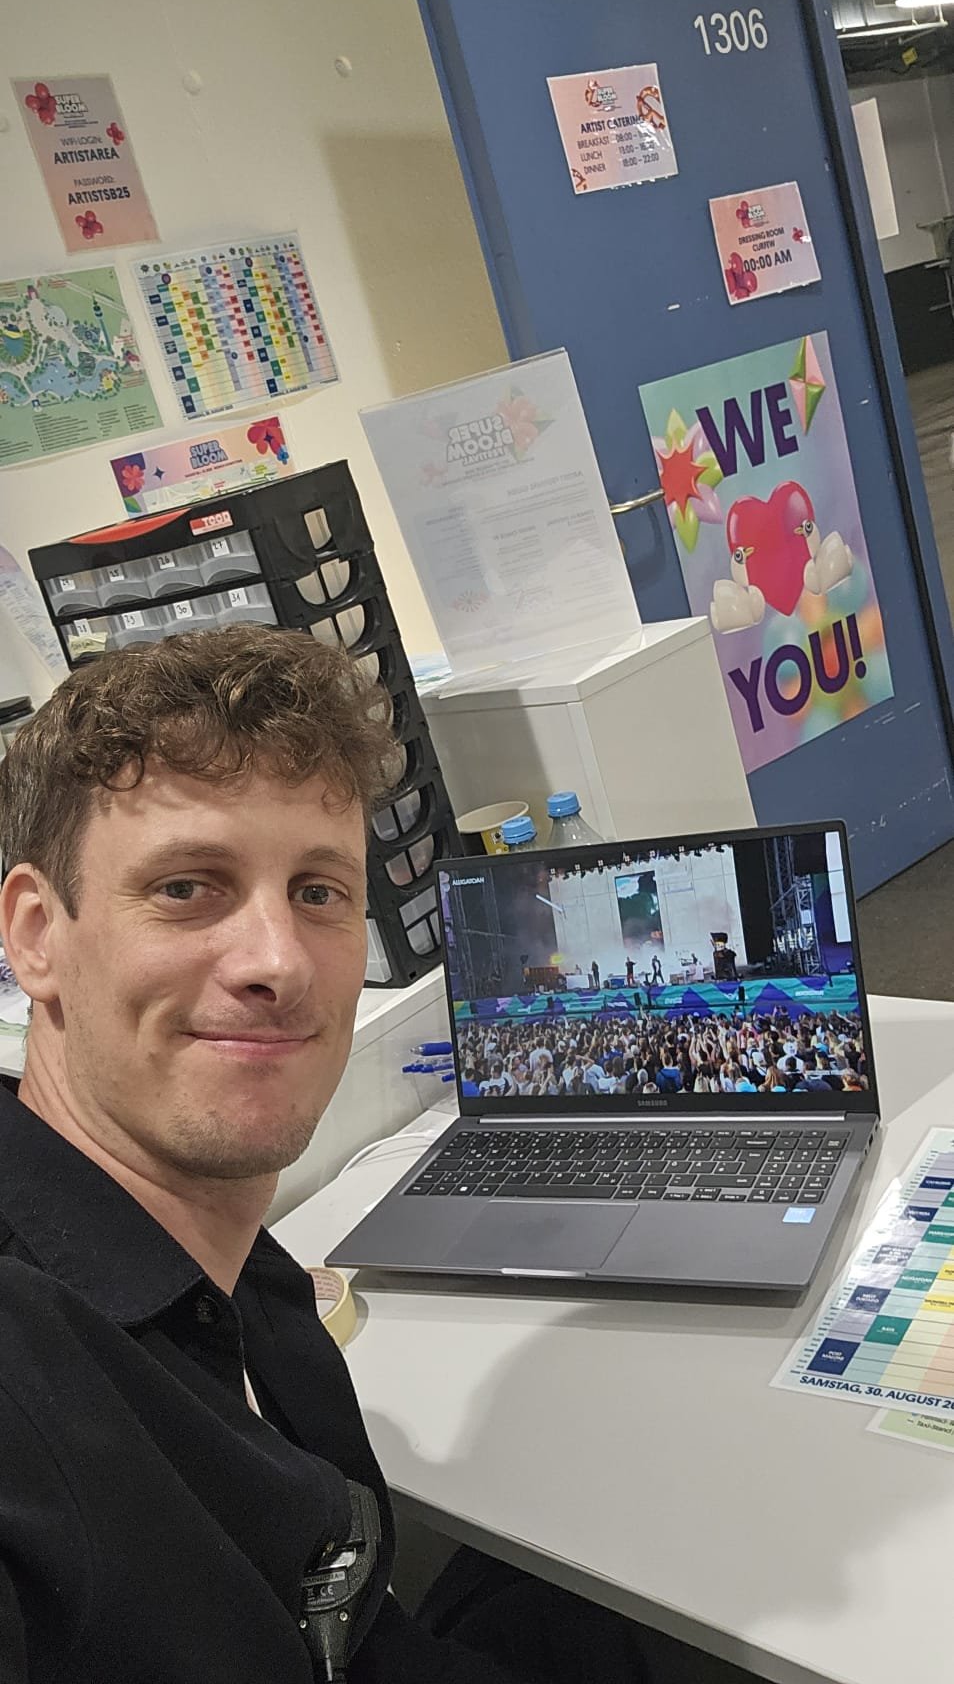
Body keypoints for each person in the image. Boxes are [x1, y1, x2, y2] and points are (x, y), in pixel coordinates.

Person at [0, 626, 750, 1684]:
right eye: (187, 887)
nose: (278, 962)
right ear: (36, 933)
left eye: (319, 891)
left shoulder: (248, 1274)